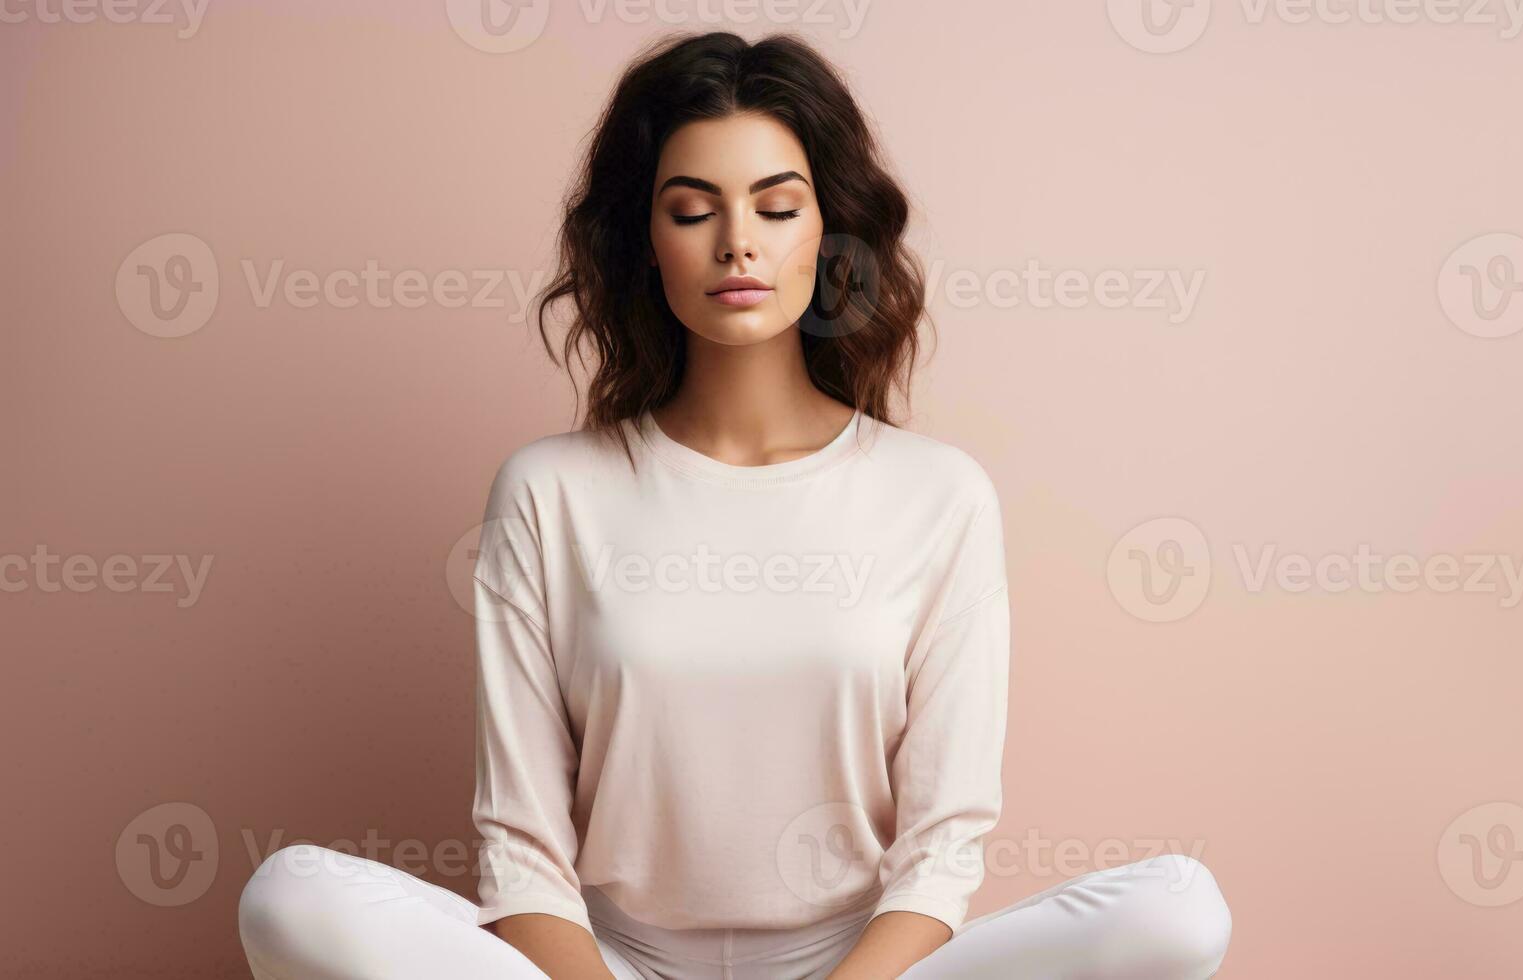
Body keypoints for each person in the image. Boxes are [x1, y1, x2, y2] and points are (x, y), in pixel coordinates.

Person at [235, 31, 1230, 979]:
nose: (737, 242)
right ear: (647, 242)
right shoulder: (549, 492)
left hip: (861, 964)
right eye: (693, 207)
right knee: (293, 897)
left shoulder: (937, 495)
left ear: (828, 236)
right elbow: (525, 857)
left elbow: (940, 853)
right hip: (608, 960)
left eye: (776, 204)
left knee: (1178, 908)